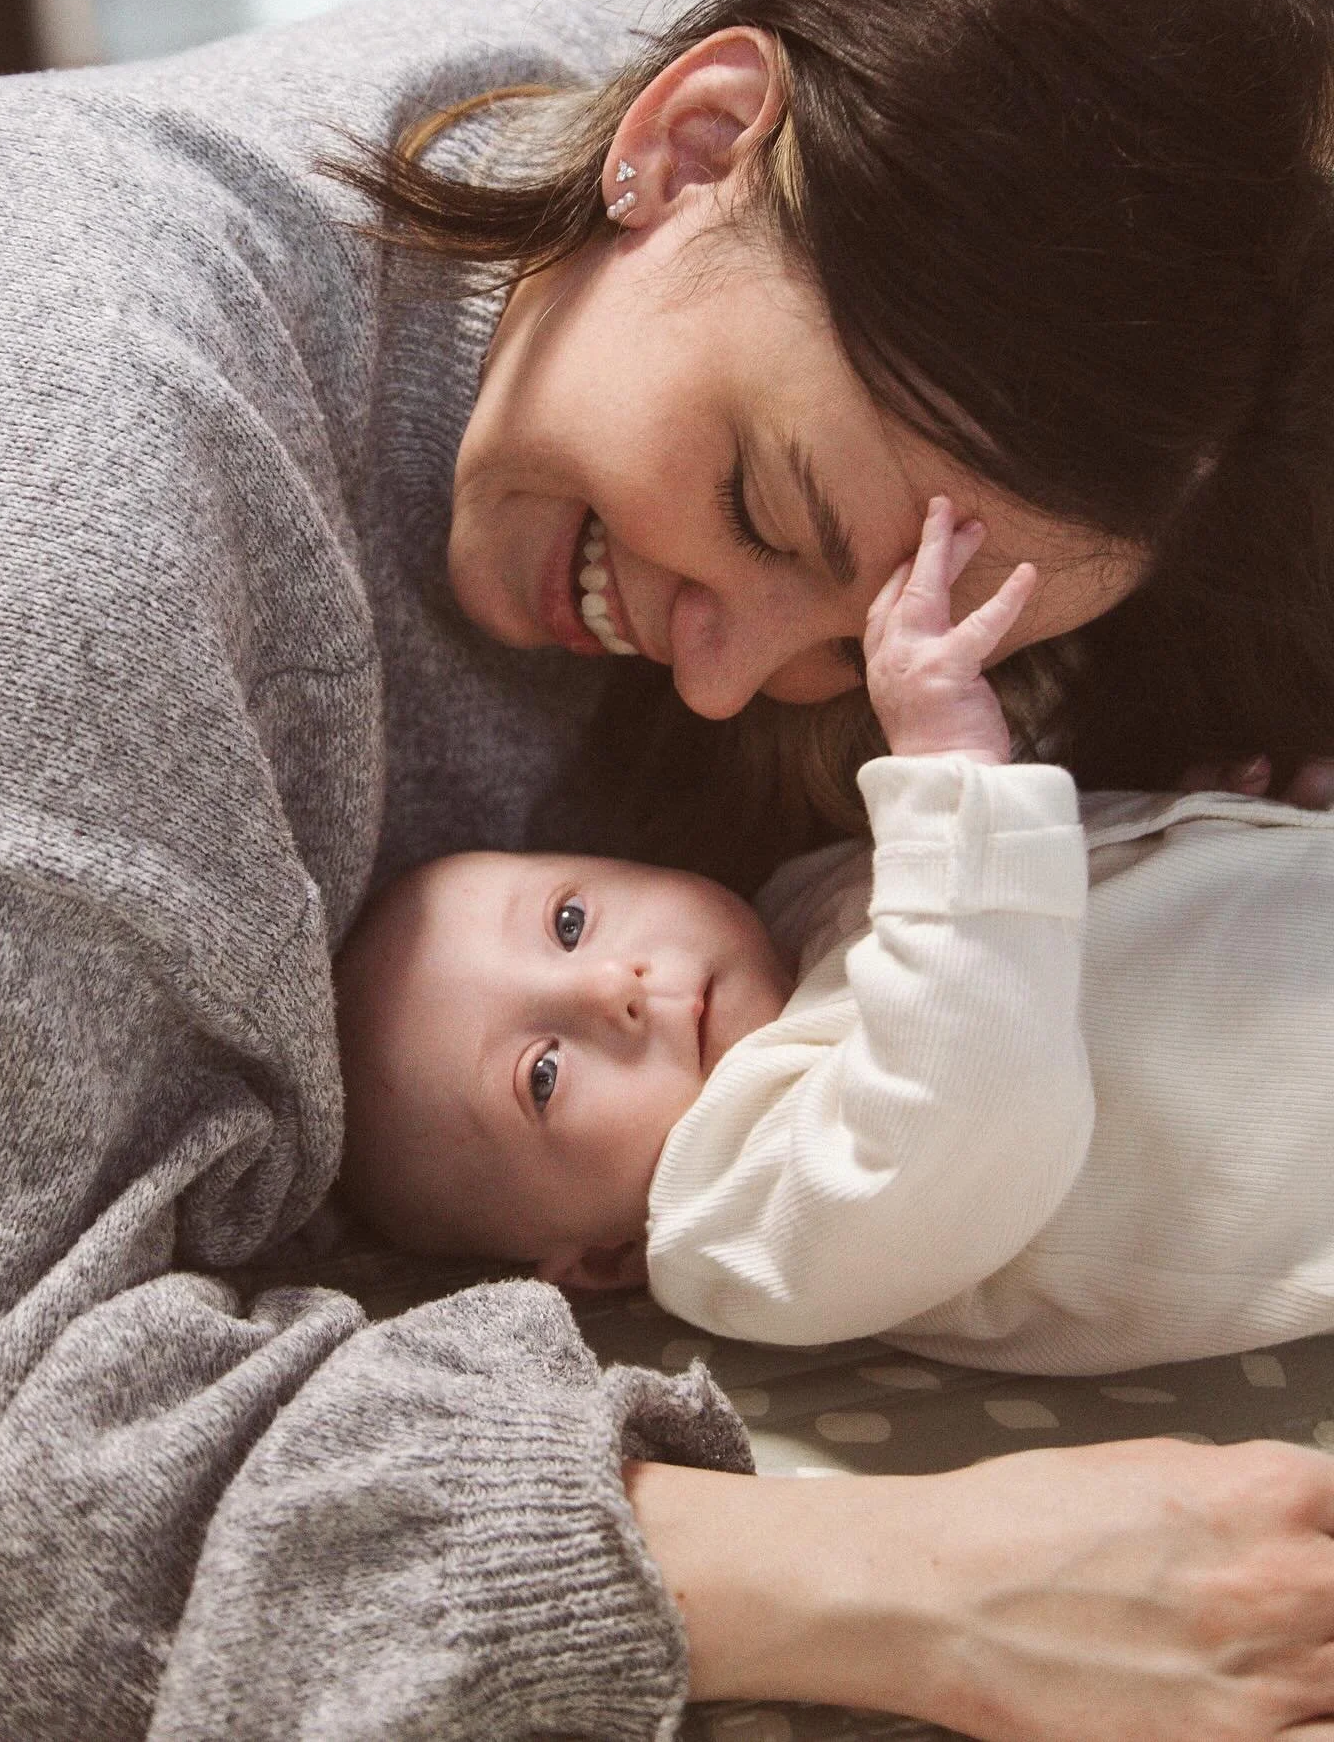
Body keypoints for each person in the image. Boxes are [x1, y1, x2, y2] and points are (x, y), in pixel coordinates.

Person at [0, 0, 1334, 1742]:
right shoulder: (54, 495)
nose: (733, 680)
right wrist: (907, 1582)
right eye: (757, 507)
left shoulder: (892, 151)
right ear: (688, 137)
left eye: (848, 644)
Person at [334, 496, 1334, 1376]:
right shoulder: (736, 1225)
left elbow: (1033, 932)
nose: (613, 990)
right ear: (600, 1259)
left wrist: (1203, 852)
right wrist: (949, 763)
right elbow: (972, 1097)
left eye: (567, 923)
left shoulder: (799, 899)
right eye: (542, 1075)